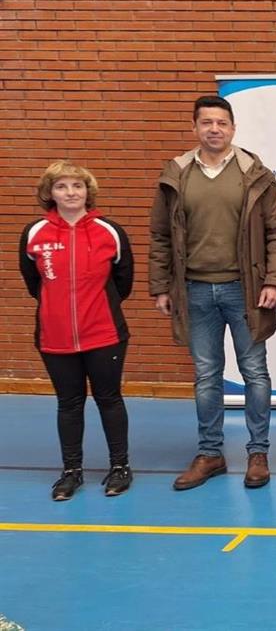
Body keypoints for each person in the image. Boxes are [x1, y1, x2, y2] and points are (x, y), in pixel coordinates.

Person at [149, 95, 276, 491]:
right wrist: (161, 286)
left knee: (255, 373)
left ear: (233, 128)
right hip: (194, 290)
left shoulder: (254, 173)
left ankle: (258, 453)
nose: (214, 129)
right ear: (195, 127)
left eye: (221, 123)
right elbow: (161, 236)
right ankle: (210, 453)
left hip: (244, 291)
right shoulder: (176, 173)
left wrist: (274, 281)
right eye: (206, 122)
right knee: (207, 375)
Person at [20, 161, 135, 500]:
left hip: (104, 334)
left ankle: (120, 467)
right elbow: (33, 282)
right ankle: (71, 472)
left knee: (109, 399)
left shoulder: (109, 231)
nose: (71, 193)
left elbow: (122, 282)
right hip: (54, 338)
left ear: (88, 191)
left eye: (77, 186)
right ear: (50, 193)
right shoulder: (34, 233)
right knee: (68, 404)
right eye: (62, 187)